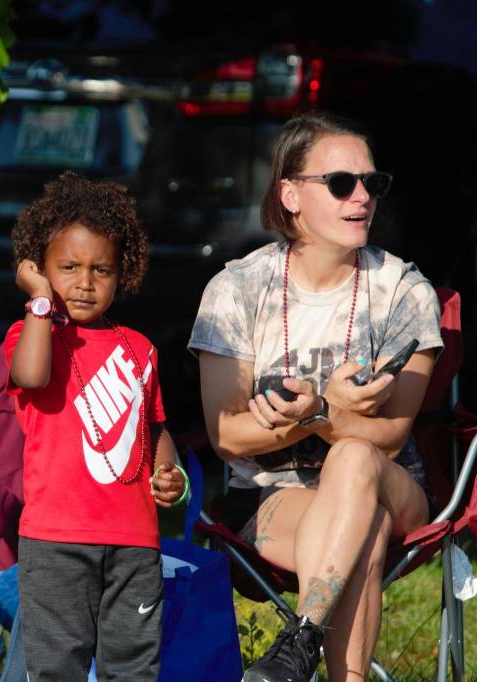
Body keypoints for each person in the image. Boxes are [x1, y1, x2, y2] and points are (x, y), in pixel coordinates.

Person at [189, 111, 442, 682]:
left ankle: (299, 641)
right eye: (340, 183)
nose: (362, 198)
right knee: (365, 529)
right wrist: (307, 421)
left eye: (373, 183)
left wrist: (322, 415)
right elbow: (226, 436)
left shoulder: (403, 292)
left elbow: (391, 435)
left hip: (393, 484)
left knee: (354, 459)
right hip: (272, 497)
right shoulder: (237, 290)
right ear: (290, 194)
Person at [4, 171, 187, 681]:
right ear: (39, 268)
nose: (84, 282)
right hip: (56, 540)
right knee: (56, 667)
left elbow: (154, 428)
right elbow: (31, 374)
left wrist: (168, 469)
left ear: (122, 272)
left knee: (133, 667)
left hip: (135, 542)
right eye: (67, 267)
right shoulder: (31, 333)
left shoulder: (140, 346)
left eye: (100, 270)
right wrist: (41, 296)